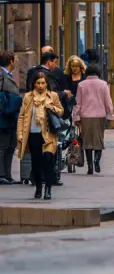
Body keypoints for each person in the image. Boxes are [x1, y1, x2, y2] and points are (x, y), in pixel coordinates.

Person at [16, 71, 63, 200]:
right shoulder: (28, 97)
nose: (41, 85)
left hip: (48, 135)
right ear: (34, 84)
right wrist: (19, 133)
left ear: (47, 83)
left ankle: (48, 189)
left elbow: (60, 111)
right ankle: (38, 187)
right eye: (38, 83)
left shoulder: (53, 96)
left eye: (43, 83)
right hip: (33, 134)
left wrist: (51, 107)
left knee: (47, 161)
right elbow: (21, 116)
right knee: (36, 164)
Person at [73, 65, 114, 175]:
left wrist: (76, 117)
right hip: (100, 116)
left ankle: (90, 165)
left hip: (85, 116)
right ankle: (97, 160)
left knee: (87, 142)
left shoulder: (81, 85)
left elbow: (78, 103)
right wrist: (110, 115)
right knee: (99, 140)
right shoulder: (103, 84)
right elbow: (108, 101)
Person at [0, 51, 20, 184]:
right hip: (3, 117)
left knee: (11, 146)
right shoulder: (1, 75)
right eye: (15, 59)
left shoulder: (8, 75)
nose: (16, 62)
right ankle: (1, 175)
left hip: (11, 116)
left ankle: (8, 175)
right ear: (11, 61)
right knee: (3, 146)